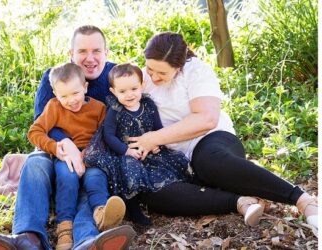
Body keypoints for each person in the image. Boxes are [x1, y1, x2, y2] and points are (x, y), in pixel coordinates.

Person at [127, 32, 318, 230]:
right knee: (150, 190)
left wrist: (154, 138)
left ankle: (303, 200)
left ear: (179, 66)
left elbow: (207, 119)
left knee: (209, 162)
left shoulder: (196, 72)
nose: (154, 76)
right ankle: (240, 202)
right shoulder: (142, 79)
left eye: (162, 73)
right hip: (176, 159)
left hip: (211, 141)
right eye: (150, 69)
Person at [0, 25, 136, 250]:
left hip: (94, 154)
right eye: (82, 51)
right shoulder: (55, 77)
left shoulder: (115, 78)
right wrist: (65, 144)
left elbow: (120, 122)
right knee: (35, 162)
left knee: (89, 180)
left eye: (96, 51)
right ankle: (27, 237)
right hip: (56, 152)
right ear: (71, 54)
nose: (90, 58)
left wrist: (88, 153)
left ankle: (86, 240)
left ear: (106, 52)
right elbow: (41, 121)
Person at [27, 63, 126, 250]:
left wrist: (91, 153)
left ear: (85, 88)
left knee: (96, 178)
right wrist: (54, 147)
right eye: (63, 96)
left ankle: (101, 214)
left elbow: (106, 135)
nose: (71, 100)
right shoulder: (54, 107)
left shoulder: (98, 108)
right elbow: (35, 131)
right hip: (66, 156)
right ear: (55, 94)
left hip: (93, 156)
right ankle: (64, 229)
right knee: (67, 177)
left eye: (75, 93)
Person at [84, 63, 190, 226]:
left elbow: (158, 128)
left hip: (148, 149)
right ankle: (133, 209)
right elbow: (109, 135)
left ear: (142, 85)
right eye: (122, 91)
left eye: (134, 89)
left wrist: (157, 144)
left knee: (173, 163)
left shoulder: (148, 105)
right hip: (125, 152)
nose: (129, 95)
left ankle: (183, 191)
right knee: (129, 170)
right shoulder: (115, 109)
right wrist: (125, 150)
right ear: (113, 91)